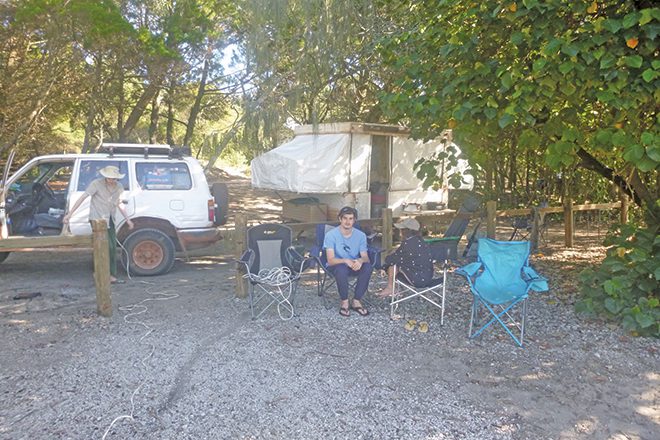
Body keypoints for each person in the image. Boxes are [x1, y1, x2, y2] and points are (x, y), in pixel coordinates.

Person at [62, 165, 134, 284]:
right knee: (102, 246)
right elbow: (83, 197)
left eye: (114, 178)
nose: (112, 180)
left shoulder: (119, 187)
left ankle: (110, 274)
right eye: (109, 178)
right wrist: (69, 214)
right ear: (105, 177)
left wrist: (128, 219)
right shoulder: (96, 184)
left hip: (109, 218)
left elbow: (119, 203)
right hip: (97, 218)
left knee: (111, 247)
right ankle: (100, 273)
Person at [323, 206, 373, 317]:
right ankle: (344, 302)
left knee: (368, 267)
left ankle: (356, 301)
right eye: (345, 218)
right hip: (336, 266)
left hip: (354, 265)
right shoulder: (331, 235)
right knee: (341, 269)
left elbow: (366, 257)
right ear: (340, 219)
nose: (347, 221)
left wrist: (360, 260)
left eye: (351, 218)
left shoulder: (360, 235)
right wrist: (345, 260)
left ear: (354, 220)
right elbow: (330, 260)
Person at [377, 217, 434, 298]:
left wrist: (384, 266)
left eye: (401, 229)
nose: (399, 231)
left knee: (393, 265)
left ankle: (390, 288)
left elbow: (391, 259)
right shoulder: (421, 241)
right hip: (428, 277)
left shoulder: (408, 245)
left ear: (406, 231)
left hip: (418, 280)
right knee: (398, 260)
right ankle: (391, 288)